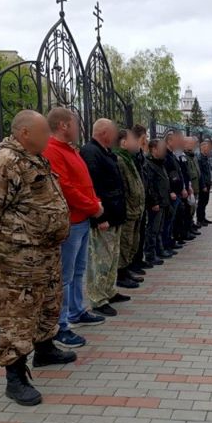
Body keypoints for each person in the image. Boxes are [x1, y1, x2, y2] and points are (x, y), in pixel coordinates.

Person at [0, 110, 75, 406]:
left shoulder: (36, 159)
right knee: (18, 313)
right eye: (43, 132)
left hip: (45, 253)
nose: (48, 136)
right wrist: (3, 239)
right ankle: (15, 377)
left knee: (48, 302)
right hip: (18, 259)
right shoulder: (5, 162)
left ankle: (45, 349)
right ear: (25, 133)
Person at [42, 108, 106, 349]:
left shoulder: (70, 150)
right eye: (75, 124)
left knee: (78, 271)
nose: (79, 128)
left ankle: (77, 311)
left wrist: (94, 203)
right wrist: (93, 206)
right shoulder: (52, 150)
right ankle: (61, 326)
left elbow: (84, 183)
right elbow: (66, 188)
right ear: (63, 125)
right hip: (70, 222)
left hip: (82, 219)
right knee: (65, 276)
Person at [80, 119, 129, 317]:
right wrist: (99, 217)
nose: (116, 136)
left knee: (111, 258)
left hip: (114, 215)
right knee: (100, 260)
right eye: (113, 132)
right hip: (103, 217)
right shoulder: (91, 152)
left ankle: (109, 291)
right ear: (104, 132)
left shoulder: (105, 152)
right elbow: (93, 187)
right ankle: (98, 299)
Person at [116, 128, 146, 288]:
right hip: (129, 210)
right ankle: (121, 275)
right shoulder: (120, 160)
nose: (136, 143)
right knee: (125, 243)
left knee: (133, 243)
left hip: (136, 209)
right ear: (123, 142)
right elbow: (123, 188)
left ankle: (127, 270)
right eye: (133, 140)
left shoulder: (129, 158)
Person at [144, 138, 173, 264]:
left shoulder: (160, 162)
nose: (164, 151)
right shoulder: (149, 164)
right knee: (153, 229)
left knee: (159, 228)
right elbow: (150, 185)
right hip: (156, 202)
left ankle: (159, 250)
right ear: (154, 149)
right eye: (161, 148)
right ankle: (150, 254)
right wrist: (154, 202)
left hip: (163, 200)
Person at [130, 124, 152, 272]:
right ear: (142, 137)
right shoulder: (133, 154)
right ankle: (133, 263)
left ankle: (139, 259)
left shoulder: (140, 154)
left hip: (142, 198)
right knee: (134, 234)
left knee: (141, 231)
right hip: (134, 202)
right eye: (146, 137)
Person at [162, 131, 187, 253]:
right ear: (169, 141)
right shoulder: (166, 156)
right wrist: (171, 191)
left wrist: (182, 188)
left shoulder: (171, 155)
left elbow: (178, 172)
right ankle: (166, 244)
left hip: (176, 192)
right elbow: (166, 176)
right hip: (171, 194)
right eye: (175, 141)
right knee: (168, 222)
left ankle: (170, 242)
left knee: (172, 220)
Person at [184, 136, 202, 234]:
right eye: (192, 144)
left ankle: (191, 224)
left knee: (193, 207)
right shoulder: (184, 156)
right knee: (189, 208)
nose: (194, 145)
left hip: (195, 186)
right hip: (190, 187)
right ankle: (188, 227)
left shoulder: (192, 155)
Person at [196, 140, 212, 226]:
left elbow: (207, 172)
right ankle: (199, 219)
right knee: (202, 202)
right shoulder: (200, 158)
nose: (209, 149)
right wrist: (203, 185)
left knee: (205, 201)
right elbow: (200, 174)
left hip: (207, 182)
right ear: (202, 148)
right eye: (207, 147)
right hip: (203, 184)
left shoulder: (205, 157)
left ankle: (203, 218)